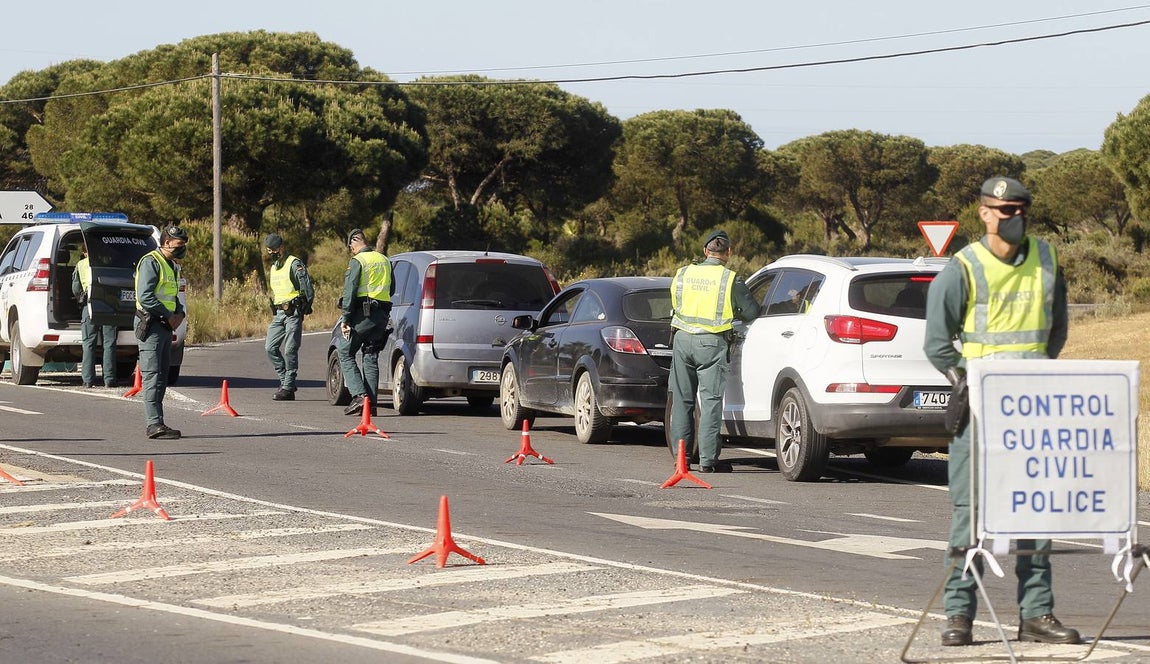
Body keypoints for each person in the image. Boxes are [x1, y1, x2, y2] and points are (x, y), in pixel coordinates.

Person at [923, 177, 1078, 647]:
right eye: (1006, 209)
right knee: (969, 516)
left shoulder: (1047, 258)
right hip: (980, 412)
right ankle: (959, 616)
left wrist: (1030, 377)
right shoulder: (964, 268)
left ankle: (1036, 614)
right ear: (985, 213)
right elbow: (937, 343)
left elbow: (1056, 331)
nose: (1015, 217)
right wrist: (965, 381)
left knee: (1035, 512)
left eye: (1021, 209)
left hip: (1033, 409)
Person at [668, 229, 760, 473]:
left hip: (682, 340)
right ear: (728, 252)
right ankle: (707, 461)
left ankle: (681, 459)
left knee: (682, 400)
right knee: (710, 402)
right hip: (711, 343)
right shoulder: (730, 279)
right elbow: (752, 312)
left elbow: (676, 304)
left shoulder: (683, 273)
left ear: (704, 251)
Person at [134, 225, 188, 440]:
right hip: (152, 324)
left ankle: (159, 422)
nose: (182, 248)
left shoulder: (172, 265)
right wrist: (168, 314)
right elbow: (145, 296)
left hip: (165, 326)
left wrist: (180, 313)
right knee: (152, 375)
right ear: (166, 243)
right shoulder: (151, 262)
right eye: (179, 244)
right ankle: (153, 424)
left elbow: (172, 295)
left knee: (162, 375)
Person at [337, 228, 393, 417]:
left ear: (354, 242)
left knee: (345, 352)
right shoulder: (384, 259)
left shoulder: (358, 261)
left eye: (350, 247)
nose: (351, 250)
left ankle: (360, 396)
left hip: (364, 315)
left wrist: (345, 318)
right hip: (382, 316)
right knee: (370, 356)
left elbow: (350, 291)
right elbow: (391, 288)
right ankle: (371, 406)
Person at [263, 233, 315, 401]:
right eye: (269, 250)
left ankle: (287, 388)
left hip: (293, 312)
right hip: (279, 313)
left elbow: (307, 286)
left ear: (282, 247)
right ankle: (287, 380)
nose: (272, 253)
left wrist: (306, 305)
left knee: (290, 349)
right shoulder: (274, 267)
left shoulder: (294, 263)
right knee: (270, 347)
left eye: (274, 249)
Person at [72, 245, 118, 388]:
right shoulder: (108, 262)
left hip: (90, 305)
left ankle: (88, 380)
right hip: (109, 306)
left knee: (88, 344)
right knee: (109, 343)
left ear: (84, 253)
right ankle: (109, 379)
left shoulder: (80, 265)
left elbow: (76, 288)